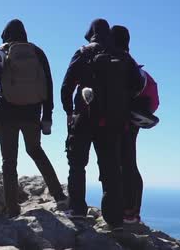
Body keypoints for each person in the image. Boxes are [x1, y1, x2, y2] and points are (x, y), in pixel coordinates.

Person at [61, 19, 142, 230]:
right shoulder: (123, 57)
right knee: (111, 169)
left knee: (77, 164)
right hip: (112, 121)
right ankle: (114, 219)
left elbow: (67, 85)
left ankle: (78, 209)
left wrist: (69, 111)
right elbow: (137, 84)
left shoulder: (84, 52)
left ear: (91, 33)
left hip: (84, 116)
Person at [0, 19, 67, 218]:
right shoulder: (37, 52)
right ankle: (60, 197)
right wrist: (47, 116)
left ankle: (12, 210)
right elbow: (49, 85)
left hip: (6, 114)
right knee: (36, 150)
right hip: (32, 113)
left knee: (9, 162)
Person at [112, 25, 159, 224]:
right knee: (129, 162)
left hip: (119, 120)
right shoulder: (135, 67)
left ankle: (126, 210)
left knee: (122, 163)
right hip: (133, 122)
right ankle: (132, 211)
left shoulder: (118, 62)